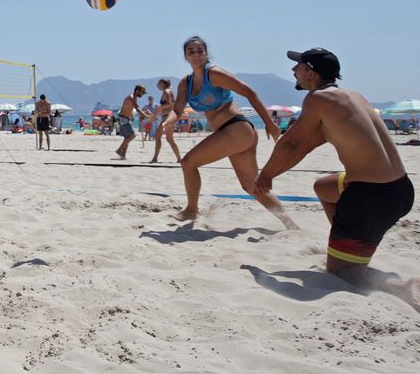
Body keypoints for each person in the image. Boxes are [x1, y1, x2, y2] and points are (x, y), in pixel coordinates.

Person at [255, 48, 420, 317]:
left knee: (342, 272)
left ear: (311, 73)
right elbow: (304, 147)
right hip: (401, 189)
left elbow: (292, 142)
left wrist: (266, 176)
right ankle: (345, 243)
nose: (294, 71)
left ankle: (403, 285)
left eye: (298, 66)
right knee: (323, 187)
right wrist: (271, 173)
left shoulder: (317, 98)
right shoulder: (354, 97)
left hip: (371, 196)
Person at [167, 36, 297, 229]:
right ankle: (291, 225)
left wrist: (269, 123)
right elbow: (177, 109)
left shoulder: (215, 74)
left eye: (200, 51)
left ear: (206, 53)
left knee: (188, 162)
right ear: (185, 57)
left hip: (236, 128)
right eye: (191, 52)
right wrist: (168, 122)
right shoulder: (186, 83)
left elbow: (250, 93)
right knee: (251, 185)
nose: (196, 55)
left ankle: (191, 209)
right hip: (235, 134)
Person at [148, 78, 183, 163]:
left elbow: (169, 104)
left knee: (157, 137)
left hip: (167, 117)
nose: (157, 85)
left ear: (163, 83)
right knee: (170, 139)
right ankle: (179, 159)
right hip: (170, 117)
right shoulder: (169, 91)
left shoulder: (166, 91)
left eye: (159, 83)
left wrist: (159, 109)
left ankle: (155, 158)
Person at [114, 84, 147, 159]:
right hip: (123, 118)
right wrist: (146, 115)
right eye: (142, 92)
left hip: (125, 118)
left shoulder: (134, 98)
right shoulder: (131, 97)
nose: (142, 94)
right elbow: (137, 108)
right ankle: (119, 150)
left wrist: (131, 115)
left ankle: (123, 155)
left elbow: (130, 107)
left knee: (127, 137)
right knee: (132, 136)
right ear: (137, 91)